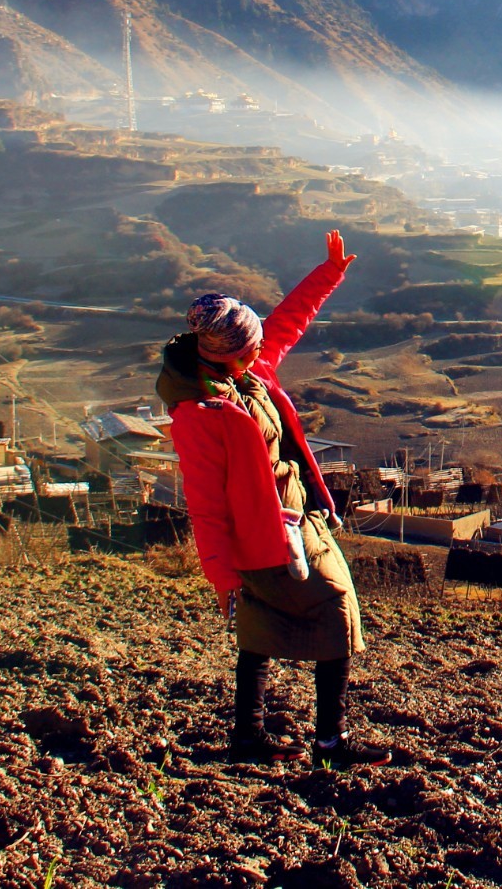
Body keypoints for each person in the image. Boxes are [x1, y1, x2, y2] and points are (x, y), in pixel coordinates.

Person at [157, 229, 389, 769]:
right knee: (335, 611)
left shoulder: (250, 373)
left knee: (260, 630)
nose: (266, 347)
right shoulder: (198, 413)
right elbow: (205, 500)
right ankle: (330, 744)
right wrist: (221, 577)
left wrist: (329, 273)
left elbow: (287, 322)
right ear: (232, 355)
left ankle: (249, 737)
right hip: (266, 535)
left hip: (295, 518)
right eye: (254, 344)